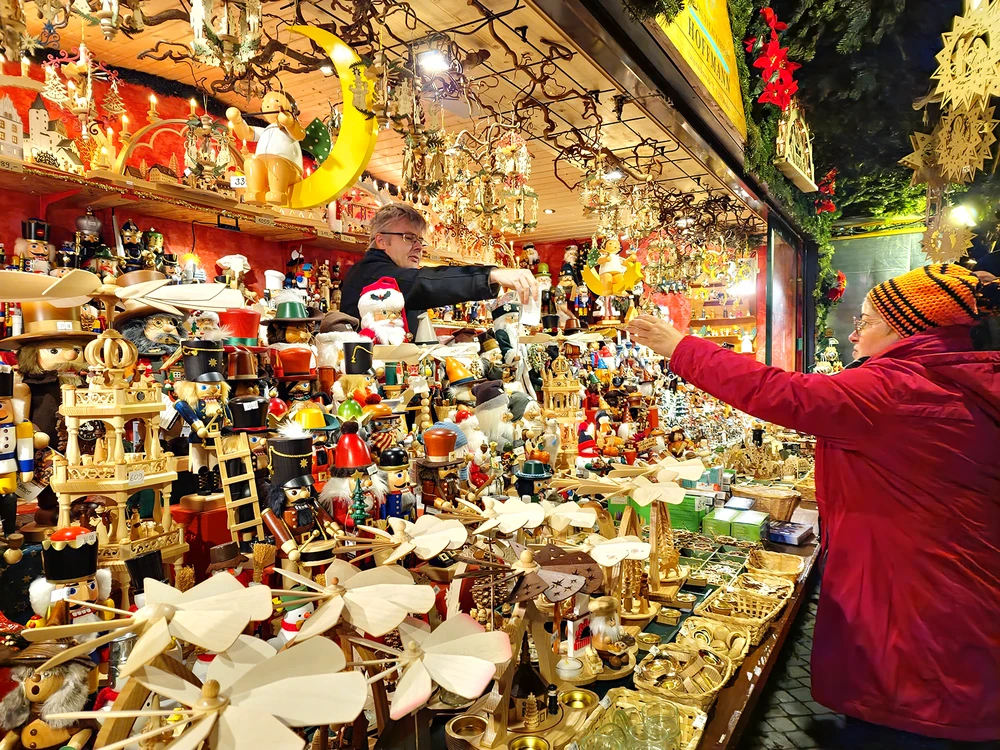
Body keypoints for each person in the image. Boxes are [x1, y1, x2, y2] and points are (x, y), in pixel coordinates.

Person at [628, 264, 1000, 744]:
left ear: (906, 328)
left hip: (917, 616)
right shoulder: (953, 378)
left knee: (907, 722)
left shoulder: (894, 390)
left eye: (865, 322)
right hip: (948, 591)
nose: (854, 333)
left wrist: (680, 347)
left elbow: (776, 392)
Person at [341, 203, 538, 334]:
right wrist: (491, 274)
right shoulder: (373, 272)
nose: (418, 246)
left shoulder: (381, 271)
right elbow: (422, 283)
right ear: (381, 241)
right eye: (409, 238)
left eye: (420, 240)